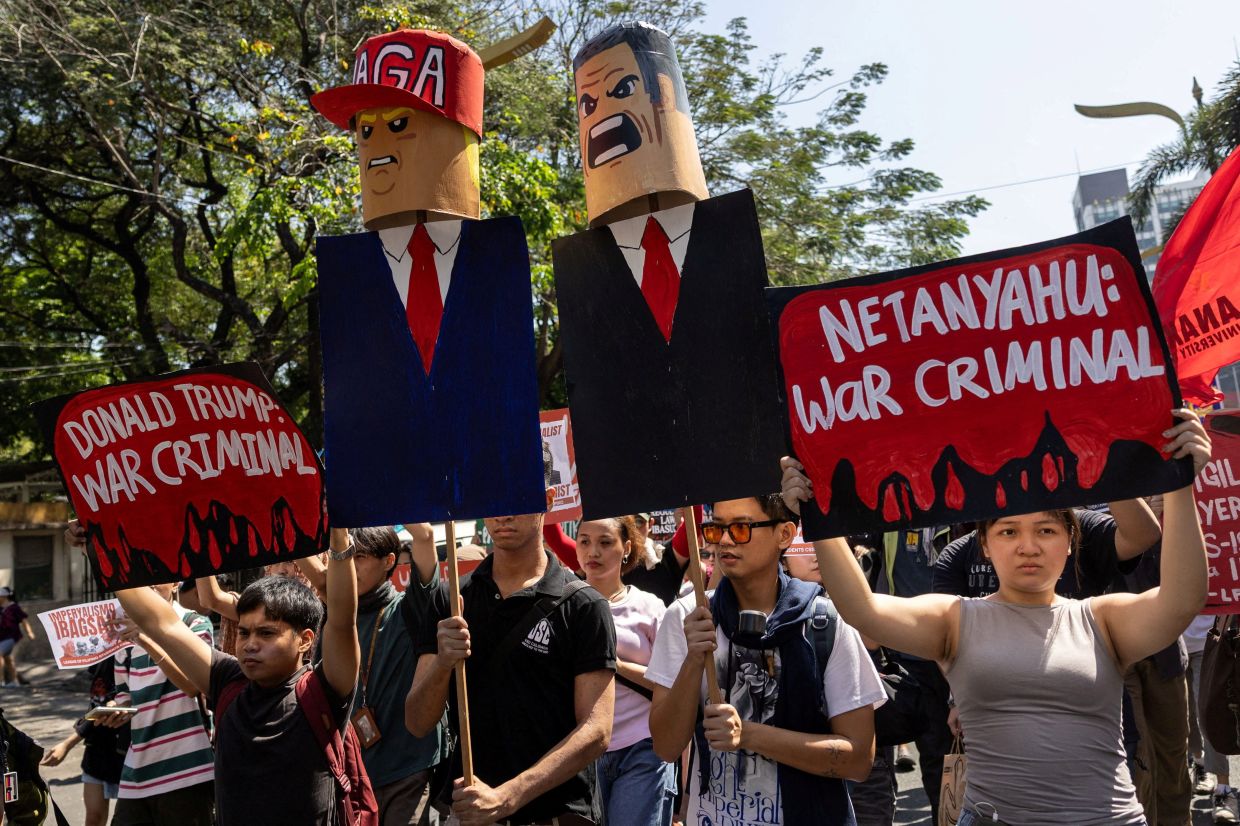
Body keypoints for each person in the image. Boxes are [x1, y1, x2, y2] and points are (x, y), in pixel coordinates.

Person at [779, 408, 1211, 825]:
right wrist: (820, 514)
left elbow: (1180, 600)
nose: (1028, 546)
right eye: (1008, 531)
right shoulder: (956, 620)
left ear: (1069, 541)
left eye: (1046, 530)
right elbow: (863, 610)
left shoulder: (1102, 620)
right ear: (984, 545)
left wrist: (1178, 482)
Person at [72, 523, 363, 826]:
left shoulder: (323, 690)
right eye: (244, 633)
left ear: (304, 640)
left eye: (266, 634)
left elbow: (343, 619)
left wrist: (339, 536)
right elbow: (160, 622)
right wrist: (101, 546)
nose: (250, 644)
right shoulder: (227, 679)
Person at [647, 494, 885, 825]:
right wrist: (693, 660)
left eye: (741, 528)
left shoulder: (825, 623)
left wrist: (748, 735)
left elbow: (859, 759)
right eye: (716, 529)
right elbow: (666, 748)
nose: (725, 540)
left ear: (784, 534)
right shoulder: (688, 617)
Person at [405, 472, 617, 824]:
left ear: (546, 500)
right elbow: (416, 722)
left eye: (515, 498)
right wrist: (443, 663)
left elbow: (597, 731)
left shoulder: (584, 605)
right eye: (492, 501)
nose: (503, 514)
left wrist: (508, 796)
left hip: (555, 814)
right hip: (471, 811)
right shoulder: (452, 600)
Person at [299, 523, 444, 825]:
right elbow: (301, 549)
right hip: (351, 775)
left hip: (406, 771)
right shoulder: (336, 613)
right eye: (345, 557)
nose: (350, 566)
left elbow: (426, 536)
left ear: (389, 561)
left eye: (360, 557)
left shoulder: (410, 607)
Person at [576, 516, 675, 826]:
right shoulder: (564, 606)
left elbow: (674, 684)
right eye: (584, 541)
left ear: (627, 547)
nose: (593, 552)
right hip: (580, 750)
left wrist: (612, 664)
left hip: (642, 747)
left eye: (605, 542)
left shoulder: (651, 607)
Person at [109, 583, 216, 826]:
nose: (148, 583)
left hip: (188, 769)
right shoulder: (122, 635)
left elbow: (193, 685)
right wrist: (114, 710)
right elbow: (125, 698)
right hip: (137, 771)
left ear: (176, 582)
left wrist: (146, 637)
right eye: (140, 576)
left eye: (155, 574)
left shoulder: (193, 623)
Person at [39, 657, 130, 826]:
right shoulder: (102, 657)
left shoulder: (132, 652)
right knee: (94, 818)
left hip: (127, 751)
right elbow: (96, 706)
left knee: (127, 819)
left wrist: (68, 743)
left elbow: (107, 707)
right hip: (97, 748)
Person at [0, 586, 35, 687]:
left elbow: (24, 621)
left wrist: (30, 632)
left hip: (11, 636)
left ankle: (1, 681)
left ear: (4, 597)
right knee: (7, 659)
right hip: (1, 637)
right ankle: (15, 681)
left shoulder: (14, 608)